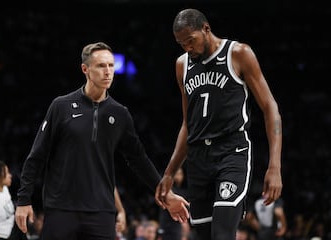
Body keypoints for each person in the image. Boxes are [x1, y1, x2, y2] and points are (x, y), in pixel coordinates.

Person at [15, 41, 189, 240]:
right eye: (101, 66)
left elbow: (139, 160)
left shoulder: (120, 114)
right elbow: (37, 155)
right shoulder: (60, 106)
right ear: (85, 69)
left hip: (102, 212)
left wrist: (166, 193)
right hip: (61, 209)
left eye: (111, 65)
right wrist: (23, 200)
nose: (108, 71)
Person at [155, 8, 283, 239]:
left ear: (206, 29)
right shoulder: (182, 65)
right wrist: (169, 172)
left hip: (231, 152)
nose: (187, 48)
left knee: (222, 234)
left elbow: (270, 107)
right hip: (198, 159)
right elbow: (188, 123)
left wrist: (275, 166)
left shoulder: (239, 53)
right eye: (181, 44)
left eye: (190, 41)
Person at [158, 168, 191, 240]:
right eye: (176, 174)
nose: (178, 177)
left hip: (177, 224)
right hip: (167, 223)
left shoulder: (184, 191)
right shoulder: (169, 191)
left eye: (180, 174)